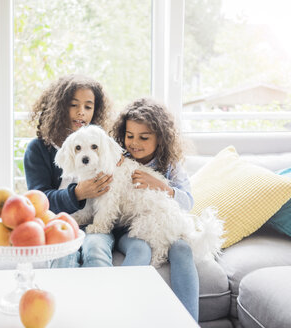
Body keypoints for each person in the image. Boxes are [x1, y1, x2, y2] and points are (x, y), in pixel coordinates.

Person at [110, 97, 199, 321]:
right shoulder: (119, 160)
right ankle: (115, 315)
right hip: (129, 229)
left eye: (144, 137)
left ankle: (188, 322)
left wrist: (162, 187)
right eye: (129, 136)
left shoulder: (170, 165)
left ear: (160, 138)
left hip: (163, 227)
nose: (134, 143)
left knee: (182, 249)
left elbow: (188, 201)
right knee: (140, 249)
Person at [23, 74, 116, 267]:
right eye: (74, 105)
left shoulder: (102, 146)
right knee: (64, 257)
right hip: (58, 225)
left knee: (96, 252)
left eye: (88, 107)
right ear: (59, 107)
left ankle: (102, 297)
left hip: (96, 226)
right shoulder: (38, 150)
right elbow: (38, 201)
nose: (81, 112)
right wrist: (77, 193)